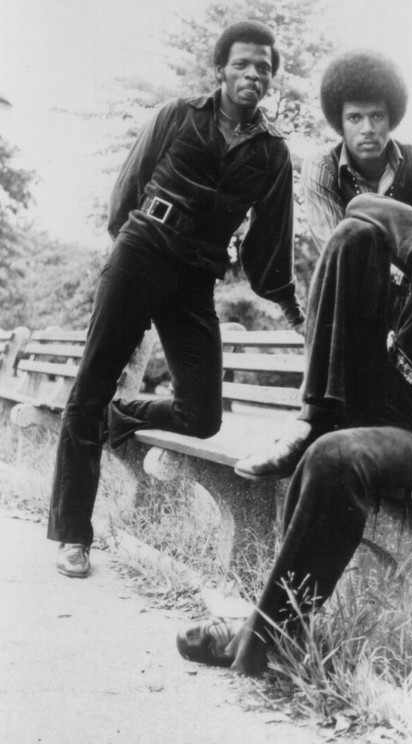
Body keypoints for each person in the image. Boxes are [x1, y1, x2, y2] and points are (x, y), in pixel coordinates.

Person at [176, 139, 412, 676]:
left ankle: (263, 636)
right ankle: (314, 416)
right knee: (355, 234)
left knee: (334, 458)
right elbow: (361, 206)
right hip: (373, 397)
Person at [49, 21, 304, 579]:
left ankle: (119, 416)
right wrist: (126, 262)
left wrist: (293, 309)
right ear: (221, 69)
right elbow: (126, 192)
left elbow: (269, 248)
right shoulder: (178, 115)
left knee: (202, 414)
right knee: (90, 388)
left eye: (263, 68)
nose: (253, 75)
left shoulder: (273, 154)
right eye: (243, 64)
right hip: (142, 252)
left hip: (195, 278)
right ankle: (73, 535)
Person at [302, 50, 412, 254]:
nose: (367, 129)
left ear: (391, 118)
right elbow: (336, 254)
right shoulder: (322, 167)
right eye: (355, 118)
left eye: (377, 116)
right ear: (340, 123)